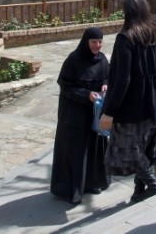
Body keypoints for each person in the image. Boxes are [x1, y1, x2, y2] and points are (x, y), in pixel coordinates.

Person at [99, 0, 156, 203]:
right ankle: (139, 191)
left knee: (130, 150)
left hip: (133, 105)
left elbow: (121, 80)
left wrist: (109, 111)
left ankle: (152, 184)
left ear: (127, 12)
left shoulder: (125, 38)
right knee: (147, 148)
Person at [50, 27, 111, 204]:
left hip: (94, 114)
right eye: (94, 42)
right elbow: (65, 86)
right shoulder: (73, 60)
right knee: (76, 151)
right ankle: (73, 190)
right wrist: (86, 95)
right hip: (74, 115)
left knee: (94, 148)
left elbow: (108, 76)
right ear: (86, 42)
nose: (97, 45)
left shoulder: (102, 59)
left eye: (100, 42)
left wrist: (105, 85)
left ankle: (93, 183)